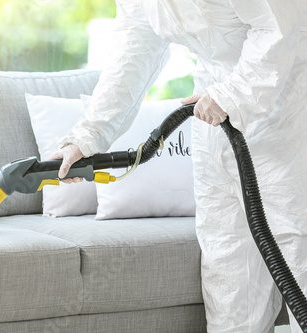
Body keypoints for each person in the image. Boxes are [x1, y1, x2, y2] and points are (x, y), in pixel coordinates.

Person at [51, 0, 307, 332]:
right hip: (214, 111)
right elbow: (134, 48)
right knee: (227, 261)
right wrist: (86, 138)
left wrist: (234, 94)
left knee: (296, 247)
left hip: (287, 106)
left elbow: (281, 25)